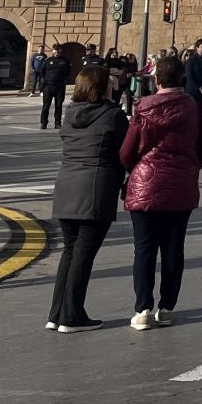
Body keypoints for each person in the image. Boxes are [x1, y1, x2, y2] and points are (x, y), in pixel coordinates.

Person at [121, 51, 202, 329]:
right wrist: (189, 167)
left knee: (144, 248)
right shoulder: (193, 108)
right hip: (181, 183)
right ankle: (167, 307)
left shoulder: (143, 107)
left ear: (157, 79)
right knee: (173, 247)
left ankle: (143, 309)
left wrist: (137, 168)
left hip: (145, 183)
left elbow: (126, 152)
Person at [48, 63, 127, 332]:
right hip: (96, 187)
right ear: (102, 87)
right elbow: (126, 152)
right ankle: (72, 316)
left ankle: (57, 312)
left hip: (66, 185)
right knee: (83, 254)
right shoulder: (113, 115)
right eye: (110, 82)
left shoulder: (70, 113)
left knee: (70, 251)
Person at [40, 48, 74, 130]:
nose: (57, 52)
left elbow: (69, 71)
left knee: (58, 106)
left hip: (60, 86)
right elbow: (42, 71)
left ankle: (57, 123)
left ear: (61, 51)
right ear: (52, 51)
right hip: (48, 86)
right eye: (55, 50)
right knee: (46, 106)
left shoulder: (65, 61)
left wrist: (65, 79)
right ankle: (44, 123)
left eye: (58, 50)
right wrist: (44, 82)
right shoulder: (48, 60)